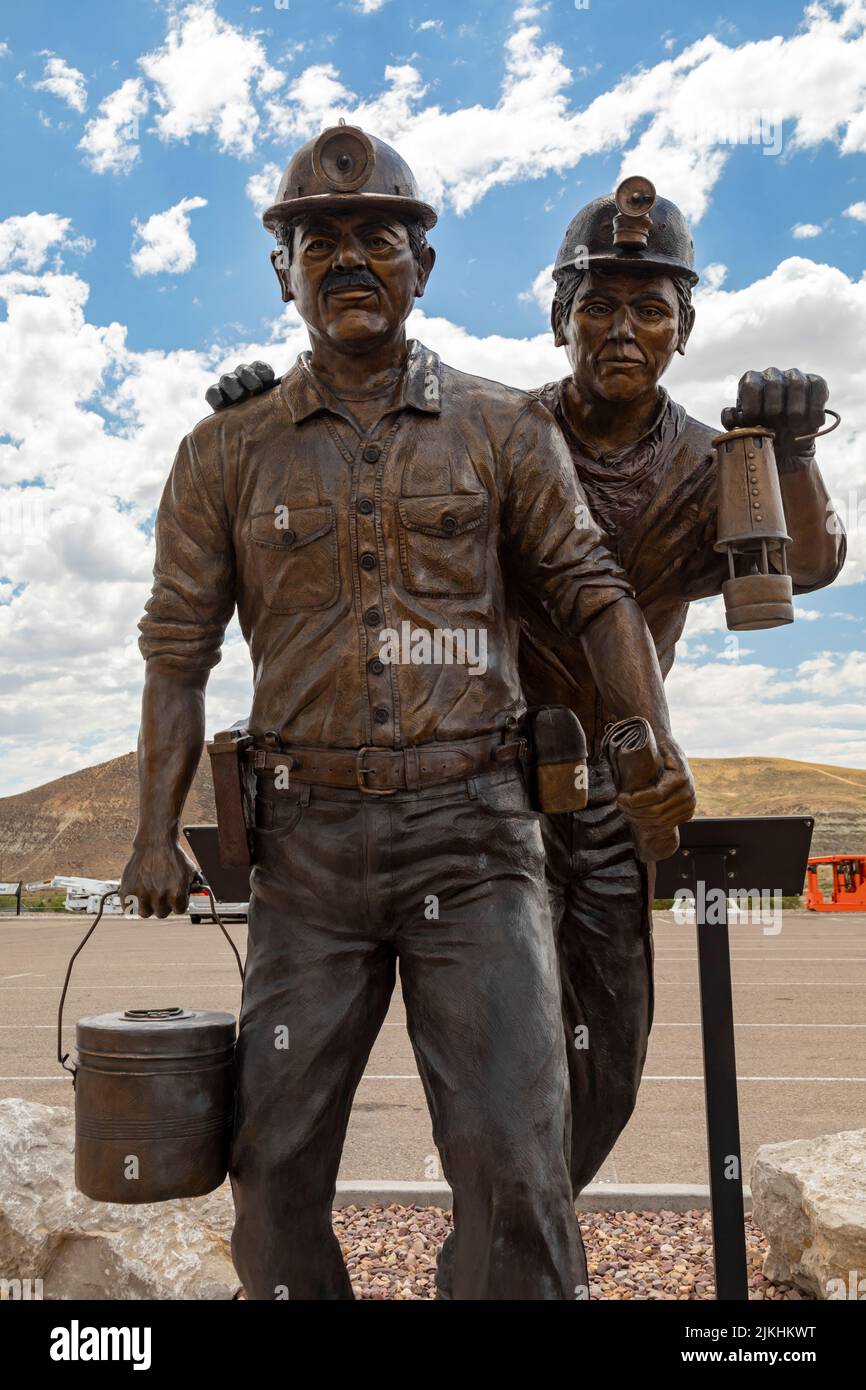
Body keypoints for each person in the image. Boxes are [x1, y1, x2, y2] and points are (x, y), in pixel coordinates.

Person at [122, 126, 694, 1301]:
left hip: (477, 843)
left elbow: (593, 592)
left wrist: (642, 737)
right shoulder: (222, 452)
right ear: (282, 270)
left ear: (419, 266)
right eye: (315, 241)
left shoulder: (500, 429)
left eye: (375, 237)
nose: (345, 260)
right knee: (271, 1169)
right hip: (307, 862)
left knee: (512, 1163)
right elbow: (177, 653)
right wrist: (149, 830)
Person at [210, 180, 845, 1210]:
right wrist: (261, 407)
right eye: (596, 304)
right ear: (558, 319)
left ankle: (510, 1246)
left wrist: (795, 454)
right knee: (496, 1066)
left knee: (604, 1062)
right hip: (483, 793)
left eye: (649, 307)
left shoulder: (700, 464)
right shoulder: (491, 433)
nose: (621, 329)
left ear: (684, 328)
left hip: (605, 796)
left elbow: (798, 570)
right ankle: (506, 1252)